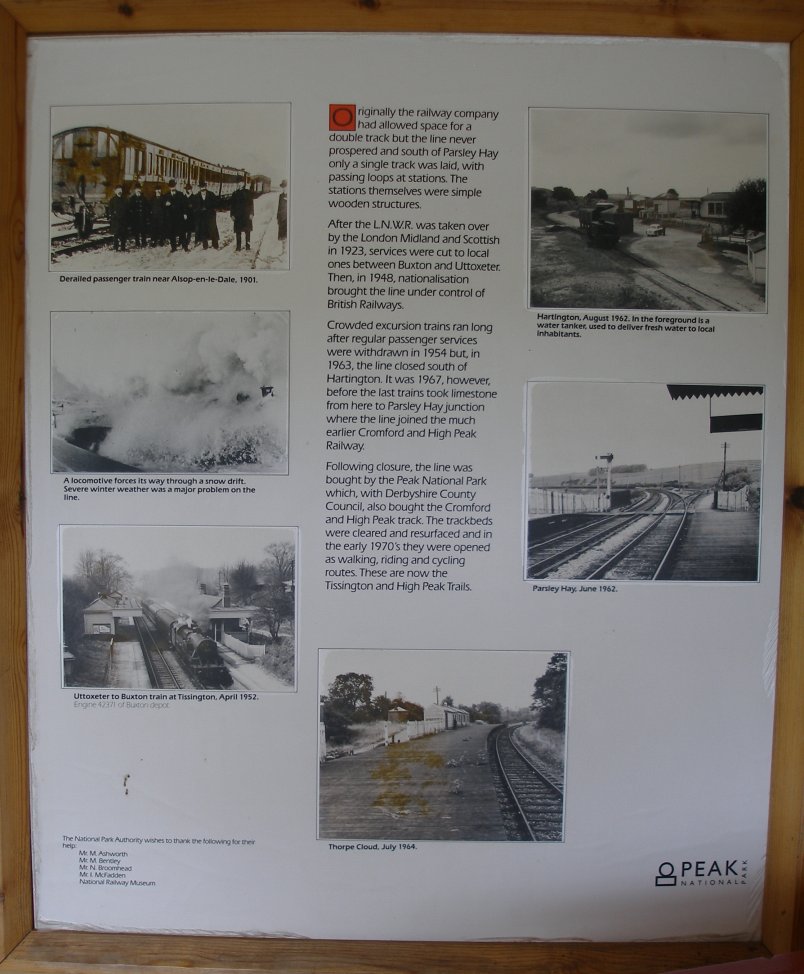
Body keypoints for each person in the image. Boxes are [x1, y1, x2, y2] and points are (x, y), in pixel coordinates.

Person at [163, 179, 189, 252]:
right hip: (170, 218)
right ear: (169, 187)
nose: (172, 188)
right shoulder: (166, 195)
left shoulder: (180, 194)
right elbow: (163, 205)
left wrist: (185, 213)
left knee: (182, 232)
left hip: (179, 216)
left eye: (173, 186)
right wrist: (165, 204)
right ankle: (173, 248)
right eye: (171, 186)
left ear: (175, 186)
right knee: (172, 233)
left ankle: (185, 247)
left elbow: (184, 205)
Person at [193, 181, 219, 249]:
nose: (203, 191)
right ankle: (205, 245)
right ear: (200, 189)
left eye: (204, 189)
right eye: (201, 189)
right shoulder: (196, 196)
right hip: (202, 216)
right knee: (203, 230)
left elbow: (216, 203)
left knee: (213, 229)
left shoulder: (211, 194)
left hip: (210, 215)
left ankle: (215, 244)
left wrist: (209, 208)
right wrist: (199, 209)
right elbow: (194, 207)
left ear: (206, 187)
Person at [229, 177, 253, 251]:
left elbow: (251, 204)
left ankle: (247, 246)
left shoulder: (248, 193)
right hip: (238, 216)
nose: (240, 184)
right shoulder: (235, 193)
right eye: (239, 183)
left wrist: (251, 213)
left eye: (241, 183)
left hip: (246, 215)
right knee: (238, 231)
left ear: (244, 184)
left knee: (247, 231)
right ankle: (238, 247)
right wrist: (232, 214)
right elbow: (232, 205)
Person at [107, 185, 127, 252]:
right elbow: (110, 210)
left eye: (120, 190)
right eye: (118, 190)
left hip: (123, 220)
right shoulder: (112, 200)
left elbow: (127, 209)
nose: (119, 191)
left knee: (123, 235)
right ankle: (115, 248)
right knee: (116, 235)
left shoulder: (125, 200)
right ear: (115, 191)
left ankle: (123, 247)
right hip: (116, 221)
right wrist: (113, 217)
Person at [127, 183, 148, 248]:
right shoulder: (132, 199)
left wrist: (146, 215)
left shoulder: (144, 198)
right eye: (137, 189)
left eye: (139, 189)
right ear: (135, 190)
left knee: (143, 231)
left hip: (142, 217)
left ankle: (144, 242)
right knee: (136, 231)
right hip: (135, 218)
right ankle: (137, 243)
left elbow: (147, 207)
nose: (138, 190)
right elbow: (129, 209)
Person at [276, 179, 288, 254]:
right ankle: (283, 251)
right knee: (283, 235)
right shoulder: (281, 196)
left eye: (285, 187)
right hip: (281, 218)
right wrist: (278, 217)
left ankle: (287, 251)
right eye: (283, 187)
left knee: (287, 235)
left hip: (287, 218)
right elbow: (279, 207)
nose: (284, 188)